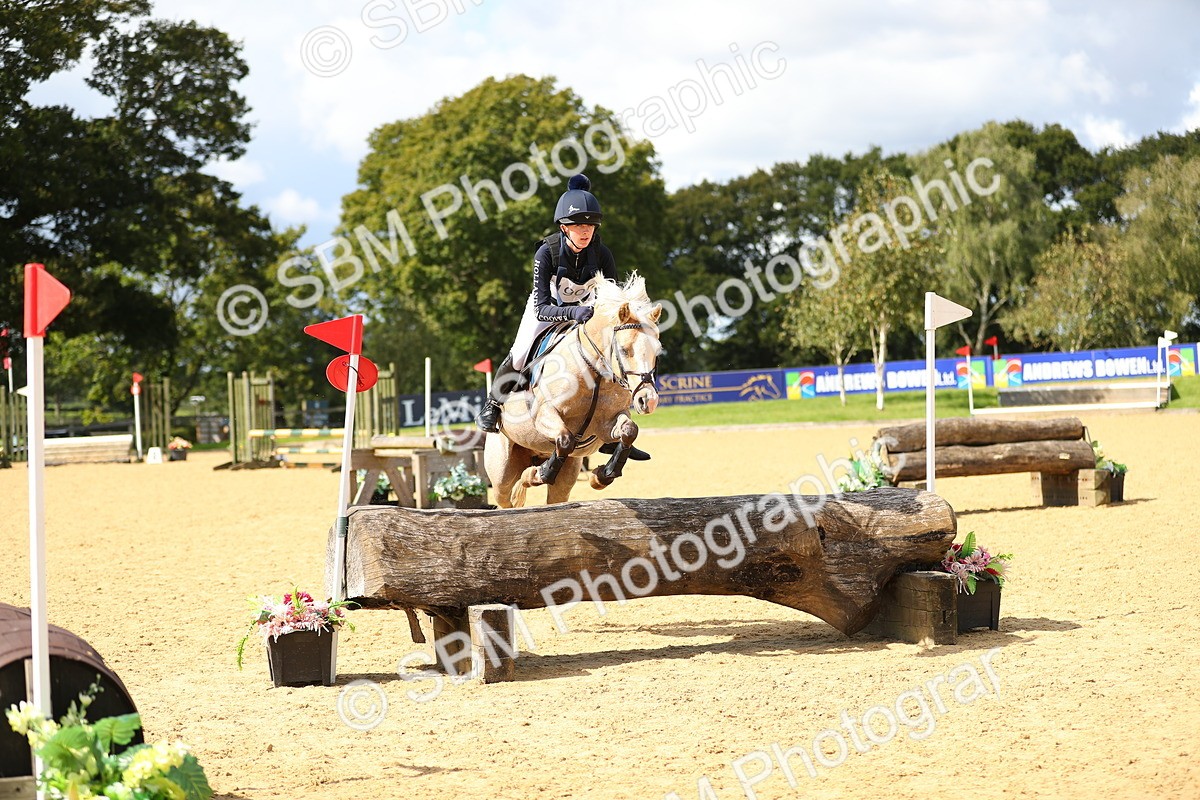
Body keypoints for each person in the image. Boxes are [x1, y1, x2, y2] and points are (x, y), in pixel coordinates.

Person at [475, 174, 650, 461]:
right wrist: (573, 312)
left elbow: (612, 299)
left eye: (589, 226)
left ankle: (612, 424)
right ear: (564, 227)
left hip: (588, 313)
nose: (585, 231)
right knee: (521, 351)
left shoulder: (602, 254)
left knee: (611, 354)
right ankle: (493, 404)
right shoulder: (547, 253)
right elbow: (542, 308)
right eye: (578, 225)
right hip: (547, 311)